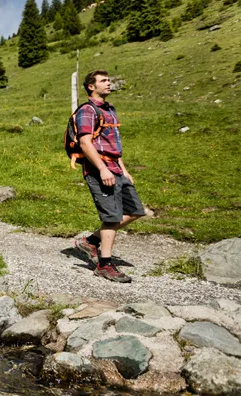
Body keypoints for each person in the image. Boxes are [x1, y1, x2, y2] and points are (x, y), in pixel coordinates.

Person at [73, 70, 145, 283]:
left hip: (116, 167)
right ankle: (104, 265)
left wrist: (123, 169)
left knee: (134, 211)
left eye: (109, 80)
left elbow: (112, 145)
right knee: (111, 217)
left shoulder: (110, 110)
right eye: (103, 81)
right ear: (91, 87)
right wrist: (103, 169)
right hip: (99, 170)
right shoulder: (87, 110)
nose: (109, 84)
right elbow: (86, 143)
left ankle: (91, 241)